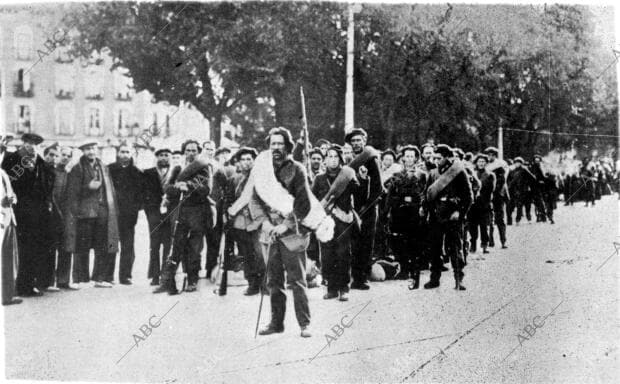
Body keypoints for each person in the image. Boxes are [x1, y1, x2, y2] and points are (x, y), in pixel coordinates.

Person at [245, 127, 333, 338]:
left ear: (287, 146)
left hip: (291, 232)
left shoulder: (297, 169)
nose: (276, 148)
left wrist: (286, 224)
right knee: (273, 281)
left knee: (298, 281)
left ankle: (305, 324)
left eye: (280, 143)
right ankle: (276, 323)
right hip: (269, 233)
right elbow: (254, 200)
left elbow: (302, 202)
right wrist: (265, 224)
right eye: (272, 144)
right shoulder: (261, 170)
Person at [1, 133, 55, 296]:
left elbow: (46, 182)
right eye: (28, 143)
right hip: (20, 210)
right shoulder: (13, 159)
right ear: (23, 143)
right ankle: (19, 286)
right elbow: (8, 183)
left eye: (34, 144)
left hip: (37, 212)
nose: (31, 146)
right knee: (21, 250)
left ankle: (29, 284)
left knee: (34, 249)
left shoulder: (39, 162)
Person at [154, 139, 211, 294]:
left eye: (194, 150)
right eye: (188, 150)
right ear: (184, 152)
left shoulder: (203, 168)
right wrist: (178, 187)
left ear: (198, 152)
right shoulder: (178, 168)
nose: (191, 153)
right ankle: (167, 281)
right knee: (175, 246)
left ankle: (192, 280)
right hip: (179, 212)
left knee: (194, 247)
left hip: (197, 212)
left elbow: (206, 189)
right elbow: (167, 187)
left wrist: (190, 186)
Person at [64, 141, 120, 288]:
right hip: (85, 212)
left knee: (101, 246)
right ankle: (78, 279)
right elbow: (72, 192)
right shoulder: (77, 168)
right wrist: (88, 187)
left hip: (102, 211)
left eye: (93, 148)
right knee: (81, 246)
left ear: (96, 150)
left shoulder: (103, 167)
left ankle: (99, 279)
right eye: (87, 149)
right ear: (83, 151)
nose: (91, 152)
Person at [311, 144, 359, 300]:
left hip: (343, 220)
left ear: (340, 159)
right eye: (329, 156)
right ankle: (331, 288)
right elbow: (312, 199)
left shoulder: (347, 176)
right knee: (326, 254)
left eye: (335, 157)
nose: (332, 160)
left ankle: (344, 288)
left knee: (343, 254)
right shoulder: (319, 179)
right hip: (325, 222)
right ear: (325, 160)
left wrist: (362, 179)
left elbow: (359, 193)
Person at [424, 144, 473, 290]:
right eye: (434, 157)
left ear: (447, 158)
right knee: (435, 249)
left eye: (439, 158)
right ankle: (434, 279)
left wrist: (460, 213)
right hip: (435, 216)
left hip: (453, 216)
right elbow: (427, 194)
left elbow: (468, 196)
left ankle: (459, 279)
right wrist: (425, 209)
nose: (436, 160)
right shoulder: (433, 173)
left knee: (455, 248)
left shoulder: (458, 172)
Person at [384, 145, 426, 288]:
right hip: (399, 212)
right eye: (406, 156)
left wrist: (421, 206)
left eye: (411, 156)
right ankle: (403, 268)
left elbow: (424, 193)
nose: (408, 159)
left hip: (414, 213)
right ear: (402, 158)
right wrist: (387, 211)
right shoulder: (396, 175)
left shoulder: (421, 175)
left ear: (415, 158)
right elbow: (390, 195)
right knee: (399, 240)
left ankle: (414, 269)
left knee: (414, 241)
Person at [346, 128, 383, 290]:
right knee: (353, 243)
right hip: (351, 208)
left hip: (367, 208)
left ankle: (363, 278)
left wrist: (366, 207)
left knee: (366, 243)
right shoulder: (348, 160)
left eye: (358, 140)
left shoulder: (371, 160)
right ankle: (355, 277)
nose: (356, 144)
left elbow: (378, 188)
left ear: (364, 142)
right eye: (353, 141)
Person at [225, 147, 264, 295]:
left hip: (258, 220)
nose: (246, 162)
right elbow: (229, 200)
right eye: (243, 159)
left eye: (249, 159)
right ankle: (252, 283)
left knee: (260, 253)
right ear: (238, 162)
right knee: (247, 254)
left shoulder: (260, 177)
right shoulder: (234, 179)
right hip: (240, 221)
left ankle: (264, 283)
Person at [109, 143, 144, 285]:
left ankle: (125, 275)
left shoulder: (137, 172)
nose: (124, 155)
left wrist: (134, 207)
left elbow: (141, 194)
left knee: (128, 246)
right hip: (112, 213)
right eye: (122, 152)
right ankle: (108, 276)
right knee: (111, 244)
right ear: (118, 154)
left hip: (129, 216)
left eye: (127, 152)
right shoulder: (109, 170)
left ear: (132, 154)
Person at [49, 146, 78, 290]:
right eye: (63, 154)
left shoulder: (69, 173)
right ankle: (48, 282)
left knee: (66, 247)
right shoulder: (50, 172)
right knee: (50, 247)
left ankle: (63, 280)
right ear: (57, 155)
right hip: (52, 214)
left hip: (67, 216)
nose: (65, 157)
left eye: (68, 155)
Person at [143, 148, 172, 286]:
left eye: (167, 155)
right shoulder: (148, 173)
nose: (164, 158)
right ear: (157, 157)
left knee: (168, 244)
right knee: (154, 245)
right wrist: (150, 210)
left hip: (170, 213)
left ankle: (165, 274)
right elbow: (144, 193)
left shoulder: (176, 172)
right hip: (154, 213)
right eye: (161, 155)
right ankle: (154, 276)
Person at [1, 167, 22, 305]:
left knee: (8, 260)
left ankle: (7, 295)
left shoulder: (3, 172)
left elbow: (12, 194)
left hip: (8, 219)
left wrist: (12, 198)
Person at [468, 154, 495, 254]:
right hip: (473, 205)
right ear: (476, 163)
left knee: (484, 226)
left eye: (483, 162)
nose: (481, 164)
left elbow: (491, 189)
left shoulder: (490, 175)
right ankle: (473, 244)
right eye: (479, 162)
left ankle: (484, 245)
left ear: (486, 163)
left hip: (484, 204)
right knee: (472, 226)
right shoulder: (472, 174)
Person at [484, 147, 508, 249]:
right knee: (489, 219)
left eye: (492, 155)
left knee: (500, 218)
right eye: (489, 155)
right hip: (488, 195)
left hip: (498, 195)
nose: (490, 156)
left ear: (495, 155)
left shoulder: (500, 165)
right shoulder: (485, 165)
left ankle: (503, 241)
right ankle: (490, 241)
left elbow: (502, 180)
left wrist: (494, 190)